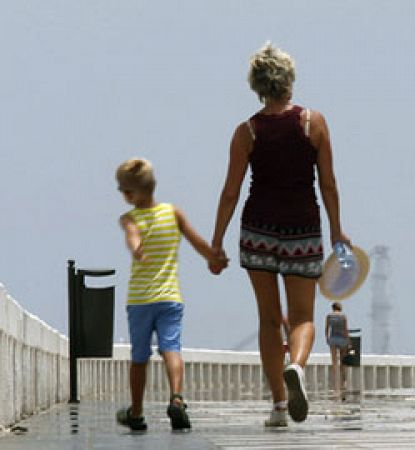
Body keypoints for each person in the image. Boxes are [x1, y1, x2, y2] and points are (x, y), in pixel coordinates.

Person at [210, 42, 349, 427]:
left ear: (257, 85)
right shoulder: (313, 123)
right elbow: (329, 184)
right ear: (289, 81)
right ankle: (298, 367)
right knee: (303, 316)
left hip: (257, 231)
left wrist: (216, 242)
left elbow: (230, 191)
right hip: (303, 228)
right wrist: (337, 231)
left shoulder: (247, 132)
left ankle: (277, 406)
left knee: (269, 320)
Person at [114, 158, 228, 431]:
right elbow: (197, 242)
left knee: (139, 358)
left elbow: (132, 236)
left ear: (130, 193)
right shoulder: (173, 213)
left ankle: (137, 413)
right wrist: (214, 258)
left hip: (140, 300)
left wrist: (137, 247)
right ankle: (176, 399)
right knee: (172, 349)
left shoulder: (129, 218)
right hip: (170, 298)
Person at [325, 302, 350, 399]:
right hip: (342, 339)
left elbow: (327, 328)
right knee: (343, 362)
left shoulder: (329, 316)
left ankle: (336, 384)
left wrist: (327, 338)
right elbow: (346, 329)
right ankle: (343, 383)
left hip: (333, 339)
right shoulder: (343, 316)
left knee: (334, 361)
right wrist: (349, 341)